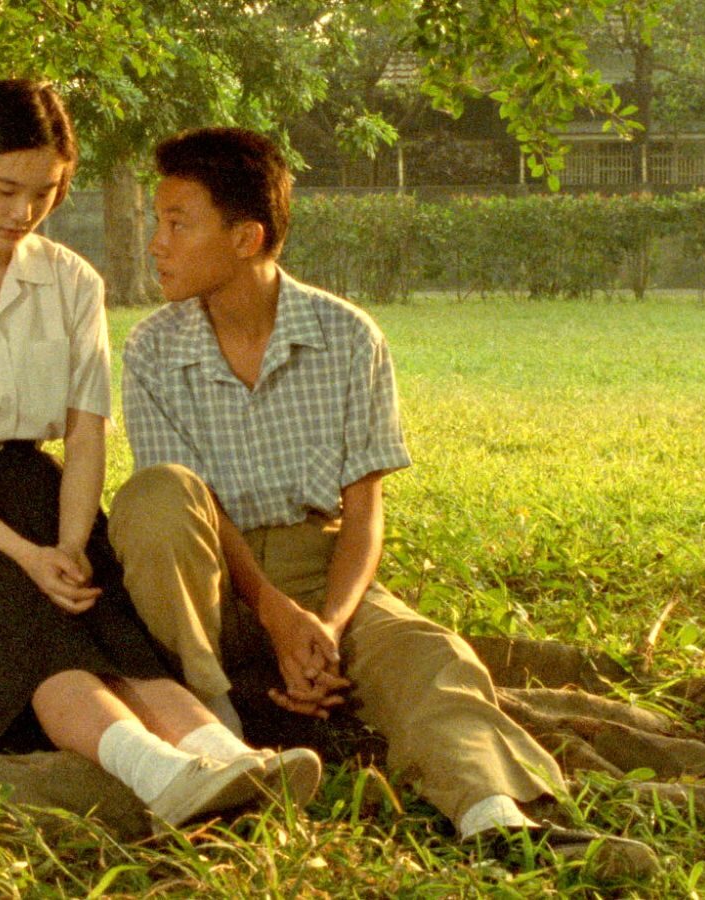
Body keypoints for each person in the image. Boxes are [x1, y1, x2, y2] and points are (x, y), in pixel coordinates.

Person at [108, 126, 659, 876]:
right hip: (199, 582)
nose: (156, 243)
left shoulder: (346, 337)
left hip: (318, 570)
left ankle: (494, 817)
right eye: (155, 222)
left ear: (246, 237)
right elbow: (186, 508)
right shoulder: (150, 349)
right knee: (158, 496)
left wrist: (326, 628)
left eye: (176, 222)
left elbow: (364, 512)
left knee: (430, 653)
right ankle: (224, 744)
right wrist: (272, 612)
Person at [0, 82, 321, 828]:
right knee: (39, 635)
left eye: (45, 192)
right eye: (5, 188)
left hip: (40, 490)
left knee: (114, 630)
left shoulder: (71, 282)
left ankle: (229, 758)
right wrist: (26, 556)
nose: (23, 213)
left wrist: (65, 541)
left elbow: (85, 431)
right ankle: (158, 773)